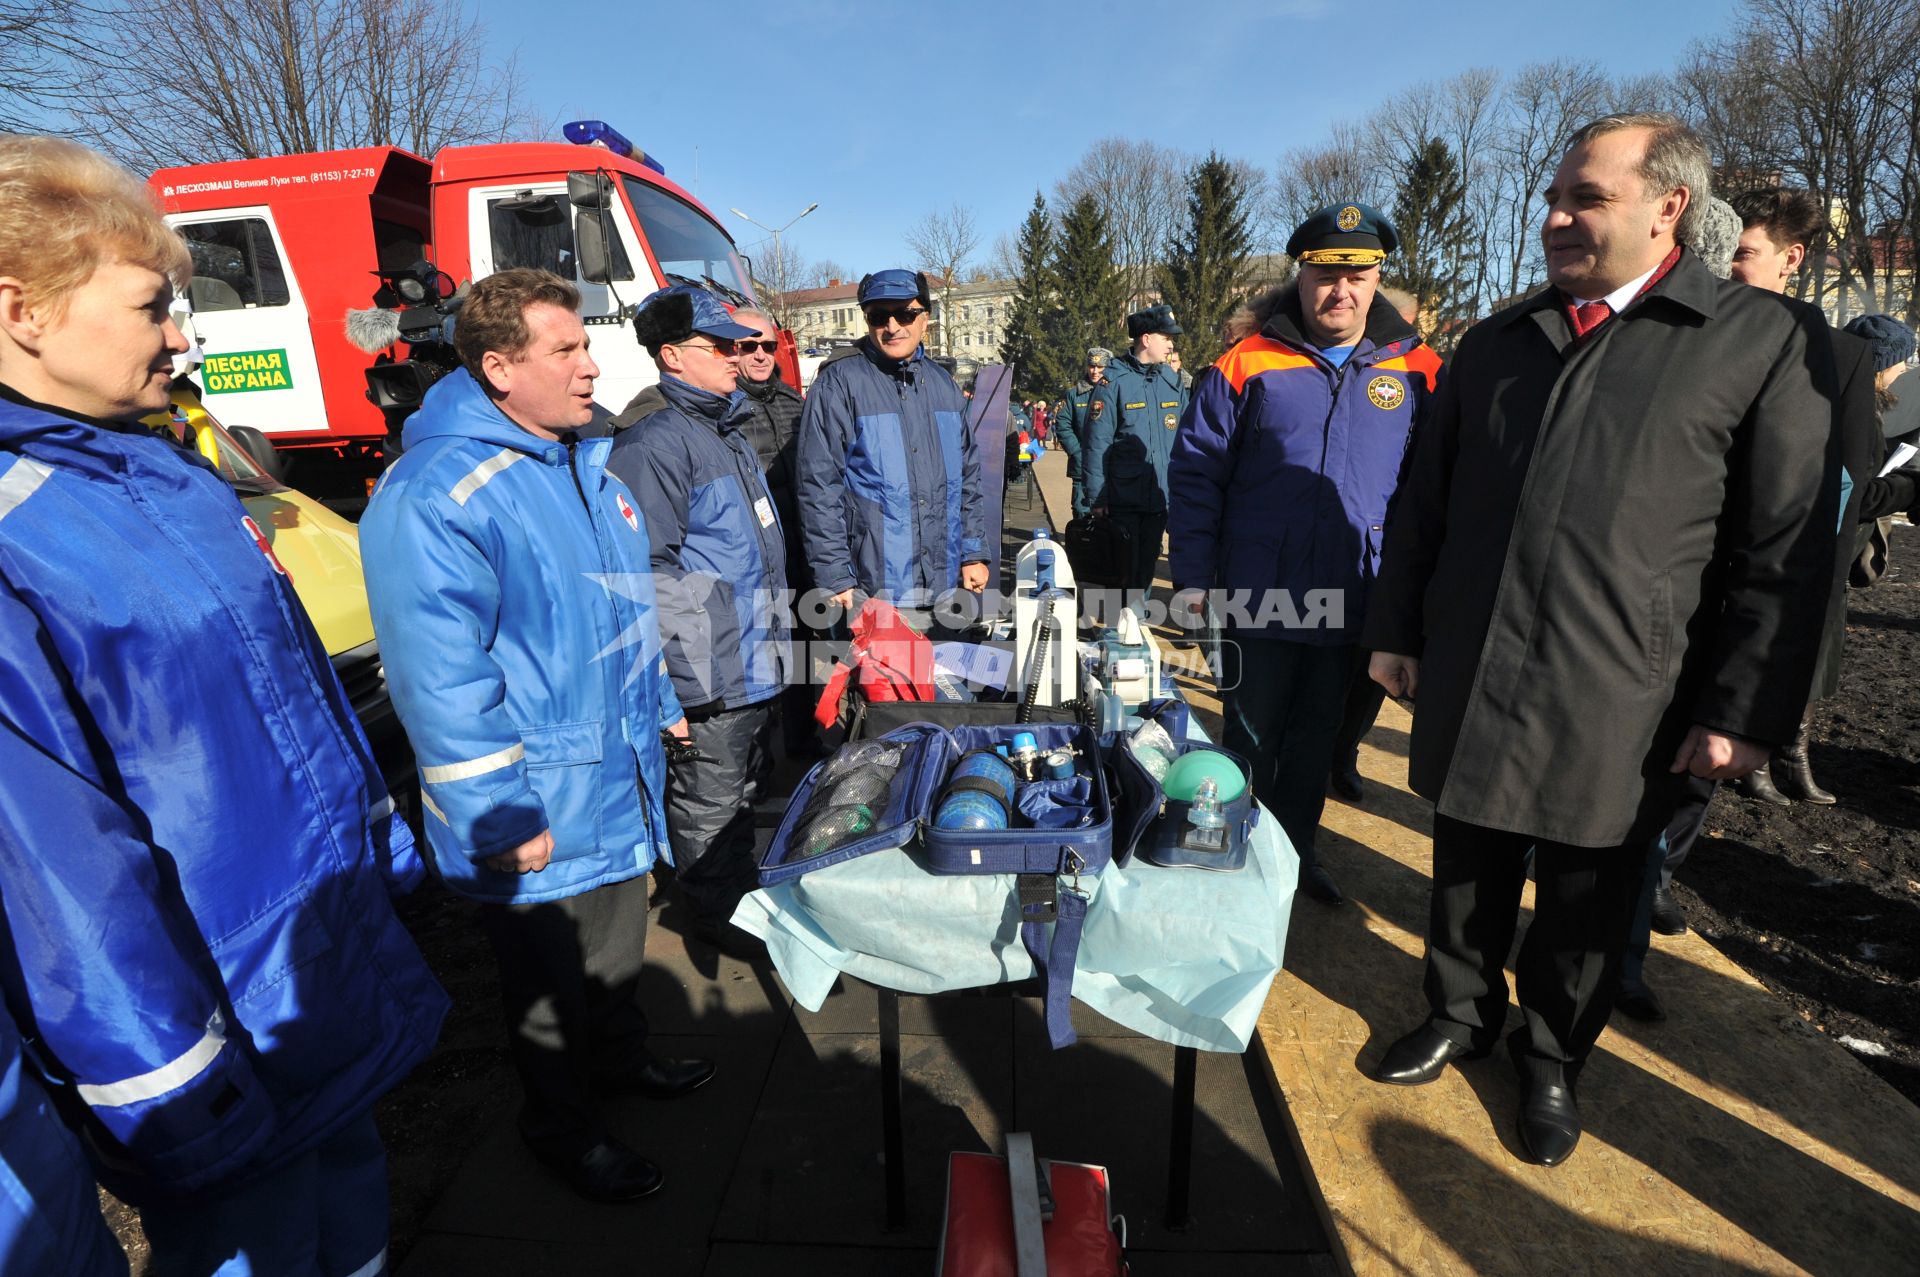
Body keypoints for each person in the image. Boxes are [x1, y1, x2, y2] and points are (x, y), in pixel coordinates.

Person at [0, 135, 448, 1273]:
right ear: (24, 311)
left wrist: (373, 872)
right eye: (154, 305)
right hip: (208, 1029)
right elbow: (61, 875)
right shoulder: (17, 527)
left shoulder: (162, 469)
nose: (182, 335)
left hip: (307, 976)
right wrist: (172, 1086)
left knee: (351, 1231)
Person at [1363, 113, 1841, 1168]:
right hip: (1480, 656)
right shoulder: (1498, 341)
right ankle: (1458, 1008)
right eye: (1555, 197)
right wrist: (1397, 628)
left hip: (1630, 682)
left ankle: (1551, 1054)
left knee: (1591, 888)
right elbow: (1421, 503)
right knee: (1467, 852)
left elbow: (1782, 552)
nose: (1556, 218)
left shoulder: (1754, 342)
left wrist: (1743, 710)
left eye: (1587, 198)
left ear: (1671, 205)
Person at [360, 268, 713, 1204]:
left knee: (614, 946)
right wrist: (495, 811)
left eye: (587, 345)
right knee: (548, 984)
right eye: (567, 349)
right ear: (499, 368)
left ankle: (622, 1063)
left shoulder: (578, 465)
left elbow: (616, 616)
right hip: (534, 795)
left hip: (608, 766)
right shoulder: (439, 491)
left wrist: (659, 705)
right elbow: (440, 678)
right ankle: (561, 1127)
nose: (593, 367)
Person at [1168, 203, 1436, 905]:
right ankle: (1233, 851)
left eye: (1357, 274)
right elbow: (1197, 477)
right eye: (1324, 273)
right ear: (1302, 274)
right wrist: (1194, 581)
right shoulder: (1248, 362)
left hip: (1357, 599)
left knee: (1319, 739)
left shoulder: (1418, 370)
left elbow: (1433, 492)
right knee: (1251, 737)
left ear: (1378, 277)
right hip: (1259, 596)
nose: (1339, 291)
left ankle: (1294, 853)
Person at [607, 286, 789, 946]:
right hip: (712, 671)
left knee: (742, 793)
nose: (738, 355)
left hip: (752, 658)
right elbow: (646, 571)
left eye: (740, 343)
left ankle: (741, 897)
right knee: (709, 801)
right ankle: (715, 922)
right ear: (673, 355)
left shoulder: (726, 430)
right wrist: (688, 682)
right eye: (721, 345)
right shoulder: (655, 443)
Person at [796, 269, 989, 620]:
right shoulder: (839, 385)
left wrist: (973, 553)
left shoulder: (943, 386)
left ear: (925, 319)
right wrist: (836, 577)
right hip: (873, 591)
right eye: (878, 316)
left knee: (940, 674)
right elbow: (819, 488)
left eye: (905, 314)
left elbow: (968, 478)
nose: (893, 326)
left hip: (944, 586)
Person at [1326, 283, 1444, 803]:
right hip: (1334, 552)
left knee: (1371, 674)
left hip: (1396, 555)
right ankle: (1315, 757)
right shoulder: (1335, 360)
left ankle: (1345, 751)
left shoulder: (1426, 366)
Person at [715, 307, 821, 759]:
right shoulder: (721, 408)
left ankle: (803, 748)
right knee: (759, 661)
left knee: (805, 655)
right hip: (753, 562)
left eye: (767, 346)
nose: (760, 355)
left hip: (801, 552)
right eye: (748, 346)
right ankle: (764, 762)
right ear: (730, 349)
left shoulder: (793, 403)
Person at [1087, 305, 1189, 615]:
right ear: (1145, 339)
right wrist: (1098, 497)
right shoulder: (1113, 383)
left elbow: (1186, 439)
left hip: (1161, 496)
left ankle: (1137, 624)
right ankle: (1128, 629)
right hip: (1124, 498)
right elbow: (1097, 443)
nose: (1171, 344)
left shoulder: (1170, 382)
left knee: (1147, 565)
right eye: (1166, 337)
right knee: (1126, 571)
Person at [1057, 347, 1111, 518]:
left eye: (1100, 367)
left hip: (1110, 466)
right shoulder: (1074, 394)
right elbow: (1062, 423)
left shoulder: (1115, 391)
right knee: (1082, 513)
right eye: (1091, 366)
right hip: (1082, 466)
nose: (1095, 371)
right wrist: (1076, 451)